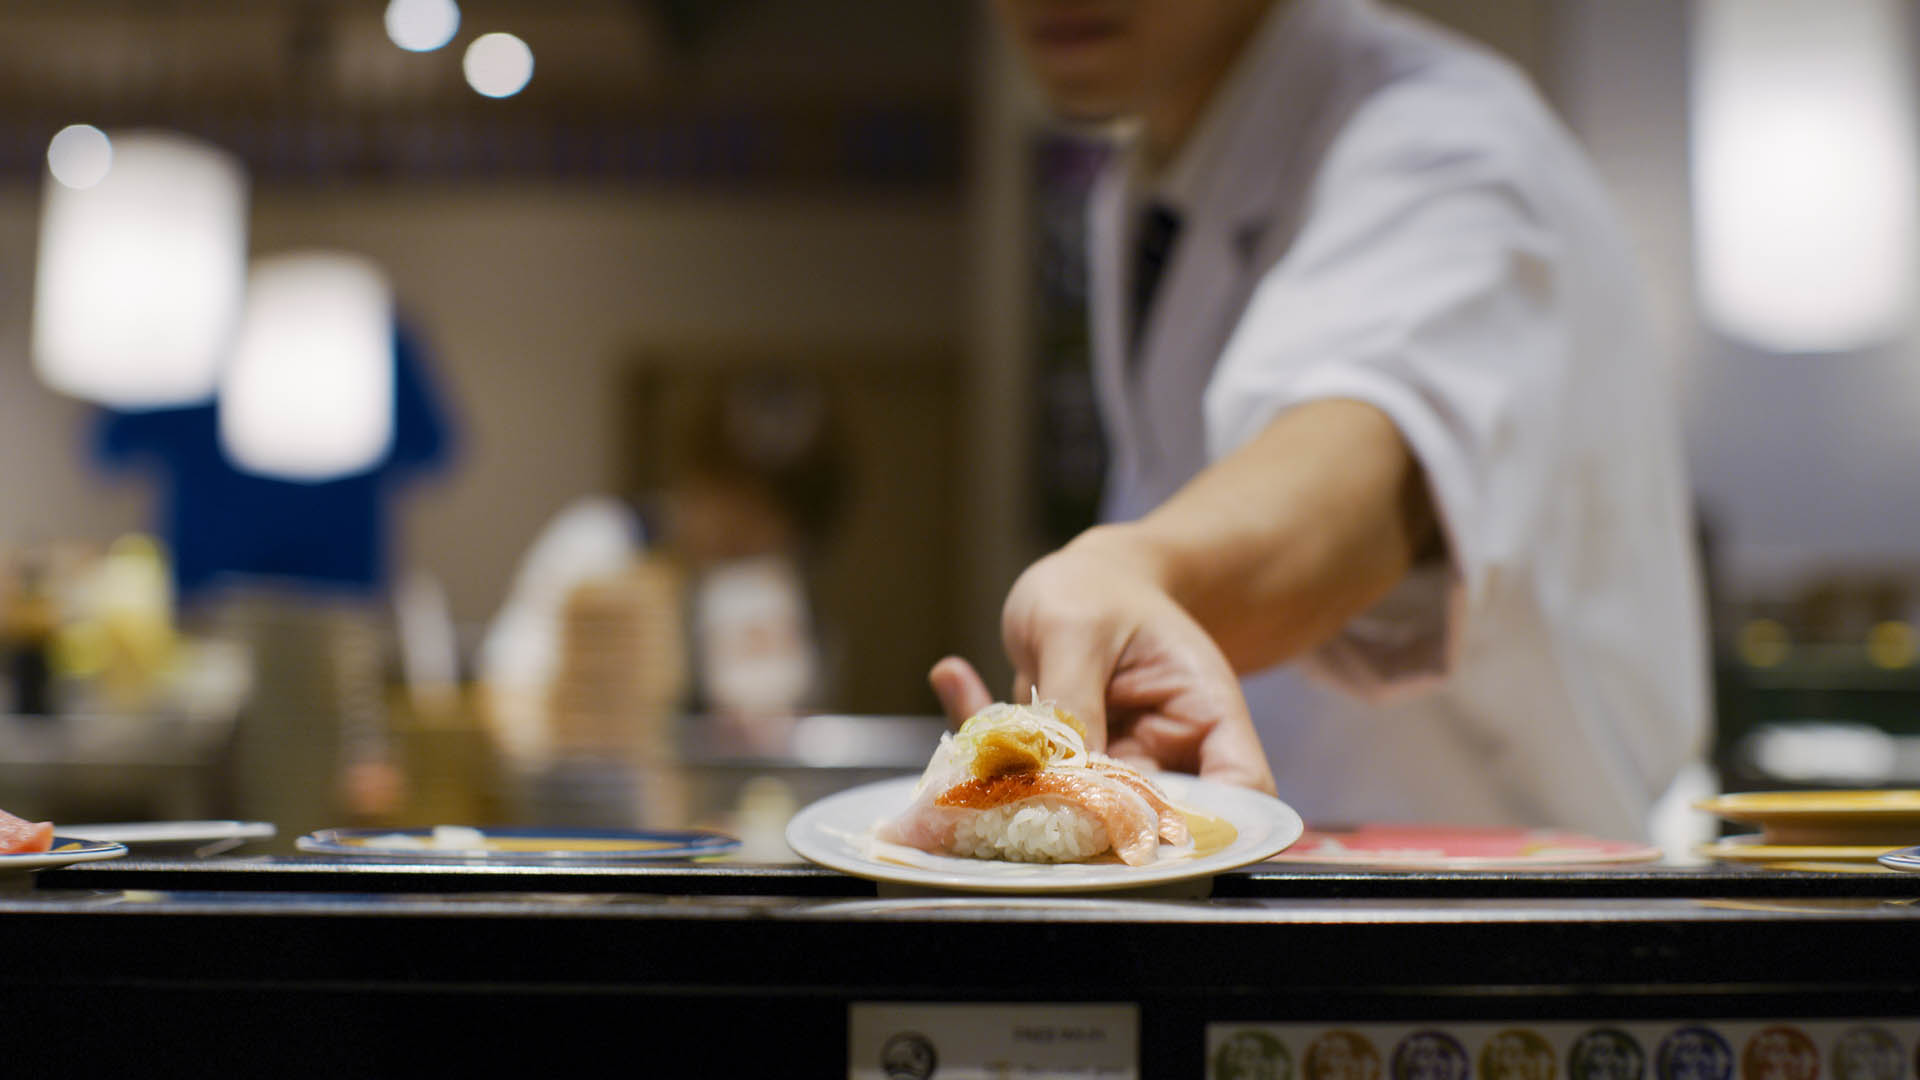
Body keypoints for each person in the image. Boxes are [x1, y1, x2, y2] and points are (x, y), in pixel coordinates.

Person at [931, 0, 1708, 839]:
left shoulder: (1451, 142)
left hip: (1494, 889)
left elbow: (1362, 461)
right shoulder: (1151, 173)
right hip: (1272, 870)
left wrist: (1136, 571)